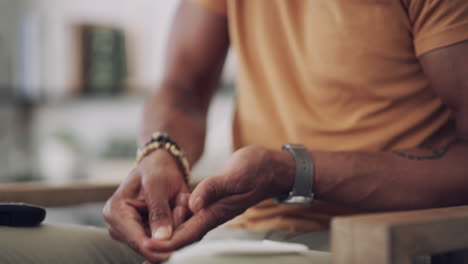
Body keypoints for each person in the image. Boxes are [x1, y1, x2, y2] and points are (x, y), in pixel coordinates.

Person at [1, 0, 468, 263]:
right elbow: (183, 86)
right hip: (236, 236)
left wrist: (289, 171)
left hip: (372, 244)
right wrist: (160, 154)